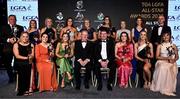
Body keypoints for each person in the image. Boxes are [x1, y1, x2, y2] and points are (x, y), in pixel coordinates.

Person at [150, 32, 178, 96]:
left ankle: (168, 88)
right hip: (161, 61)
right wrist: (167, 58)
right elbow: (157, 57)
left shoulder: (173, 45)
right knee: (163, 67)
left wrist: (174, 60)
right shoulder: (160, 46)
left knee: (169, 67)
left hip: (171, 61)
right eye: (164, 36)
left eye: (167, 36)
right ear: (162, 37)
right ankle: (161, 86)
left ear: (170, 37)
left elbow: (177, 56)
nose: (166, 37)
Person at [1, 15, 24, 83]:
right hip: (7, 48)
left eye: (14, 19)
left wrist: (17, 39)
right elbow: (1, 37)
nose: (12, 20)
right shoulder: (3, 27)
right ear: (8, 20)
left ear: (16, 20)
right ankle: (11, 77)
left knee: (18, 62)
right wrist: (8, 40)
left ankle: (18, 76)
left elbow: (22, 36)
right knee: (8, 63)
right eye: (11, 19)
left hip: (18, 47)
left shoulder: (20, 27)